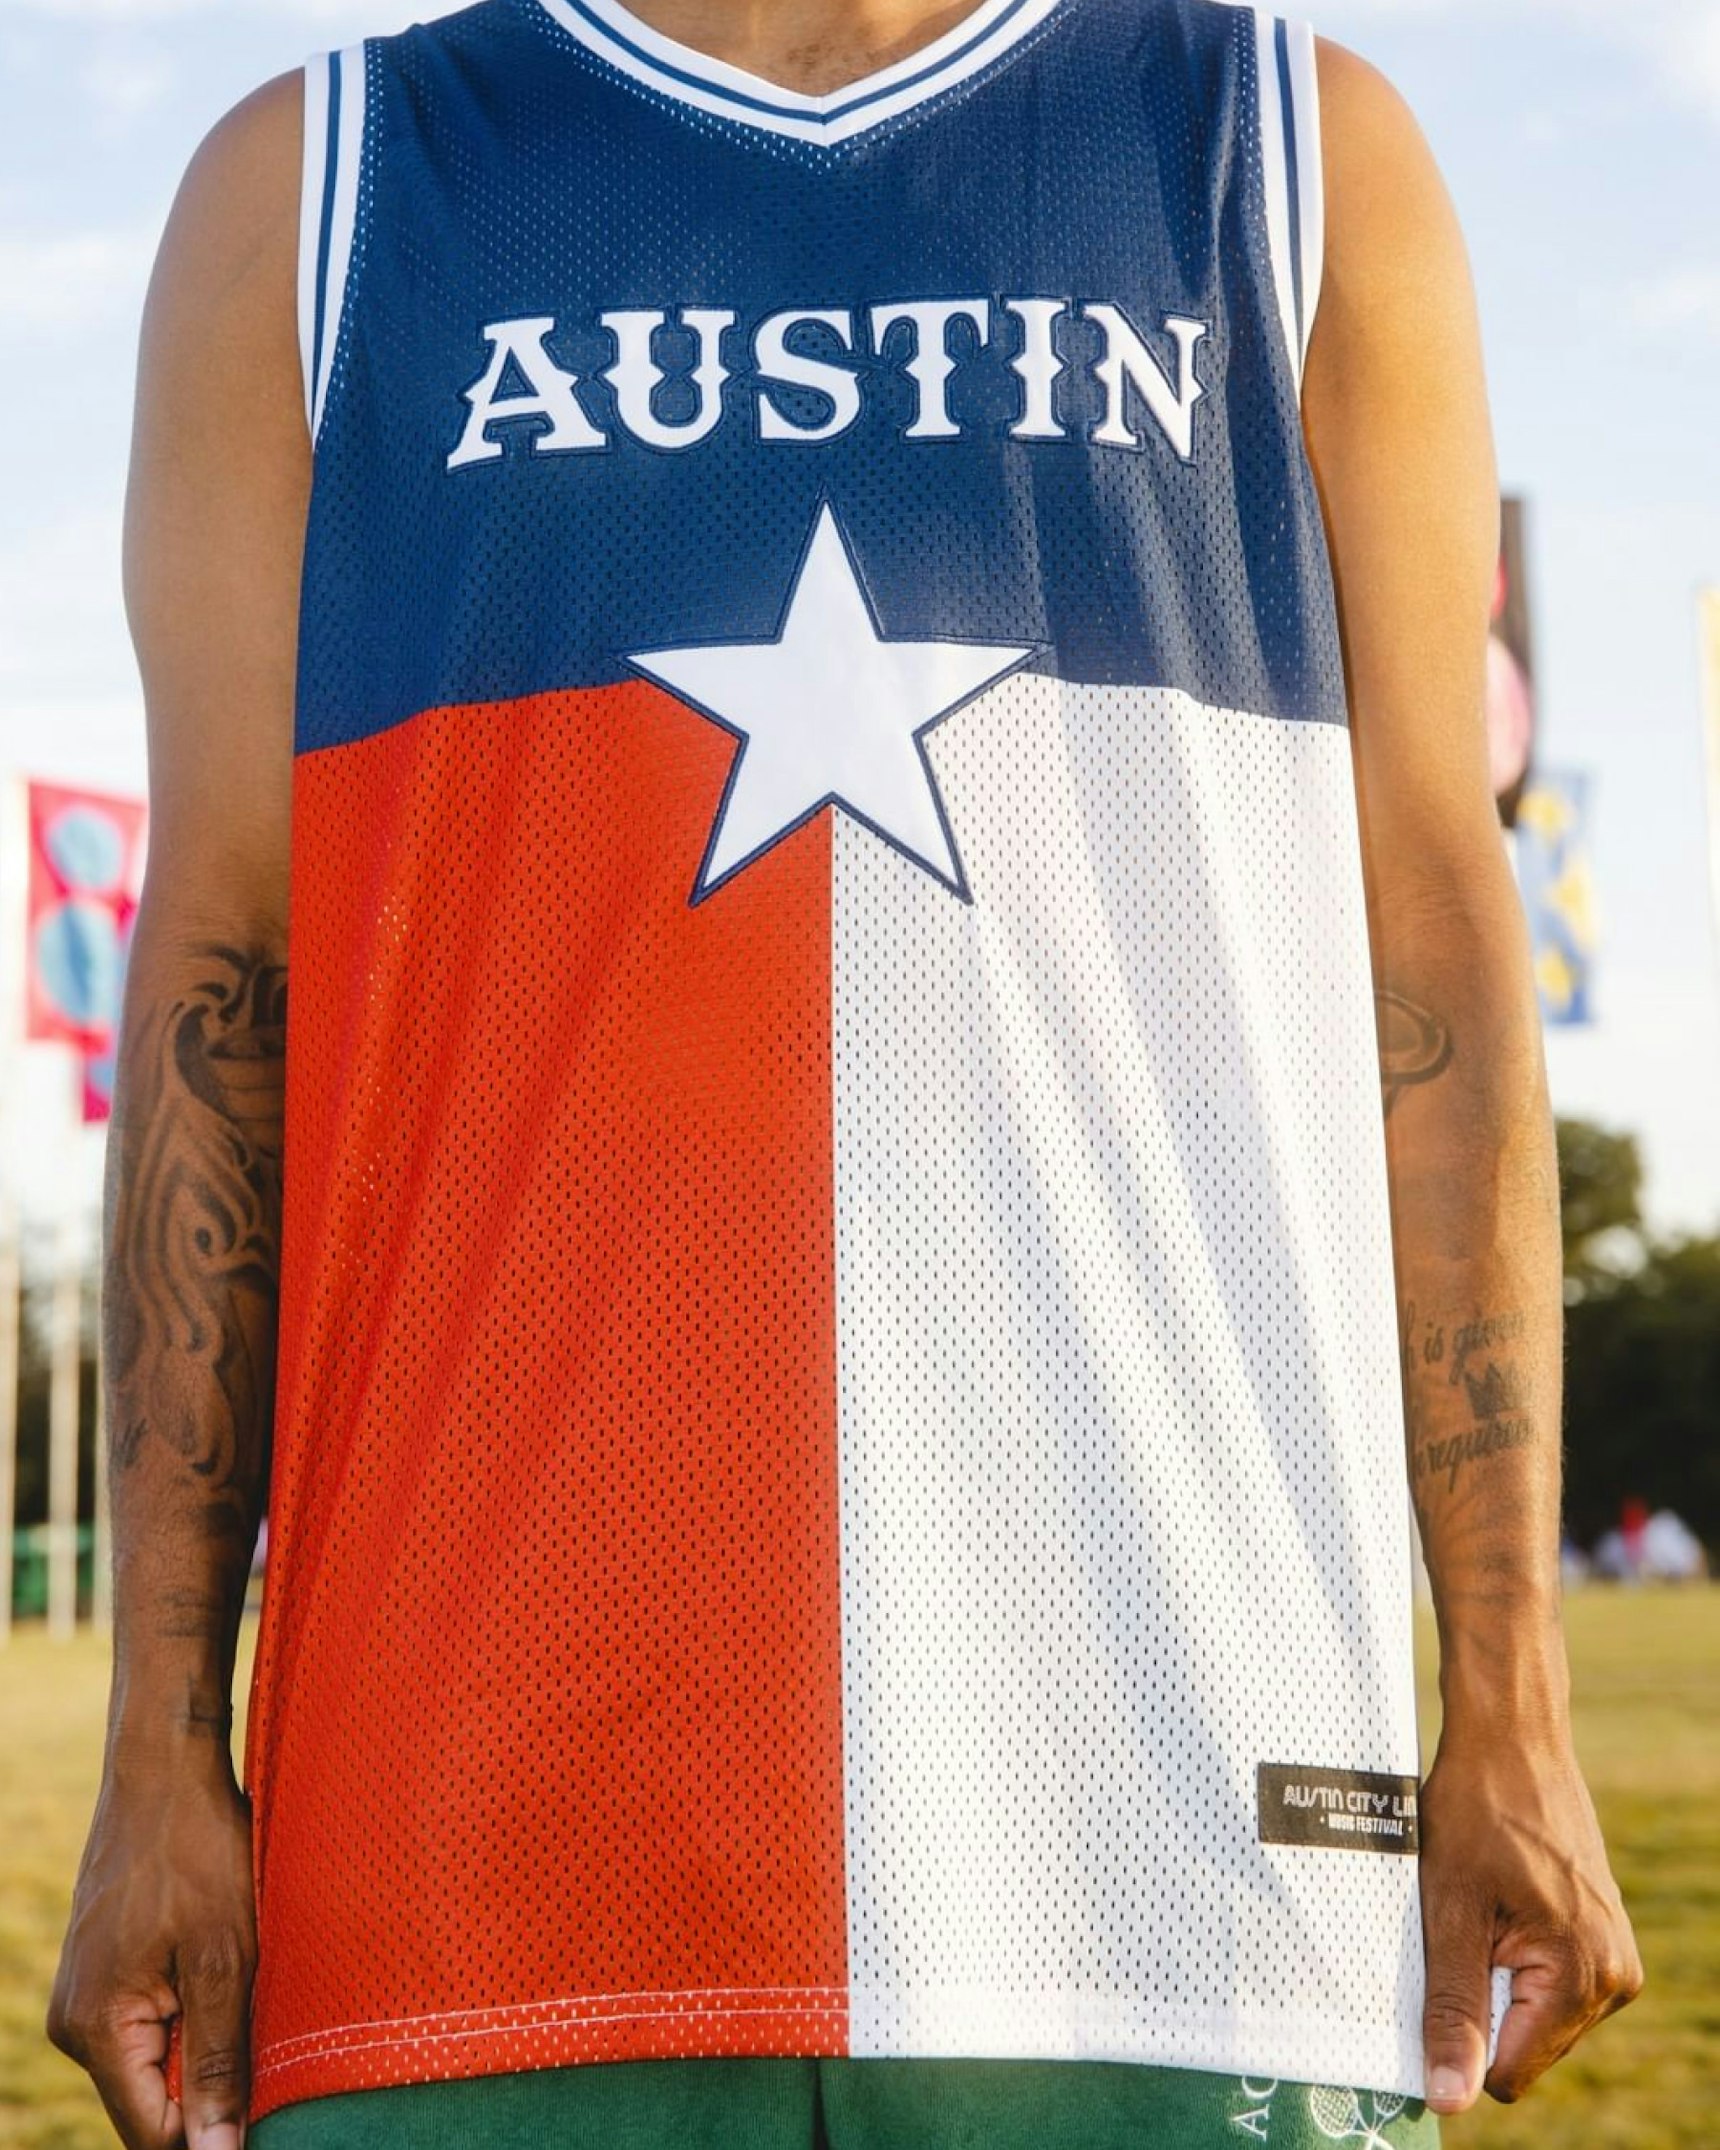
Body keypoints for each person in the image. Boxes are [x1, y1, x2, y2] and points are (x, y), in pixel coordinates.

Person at [48, 1, 1643, 2146]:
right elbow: (220, 977)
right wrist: (162, 1736)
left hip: (1185, 1809)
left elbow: (1435, 962)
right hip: (467, 1834)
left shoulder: (1289, 153)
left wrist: (1512, 1701)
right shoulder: (315, 191)